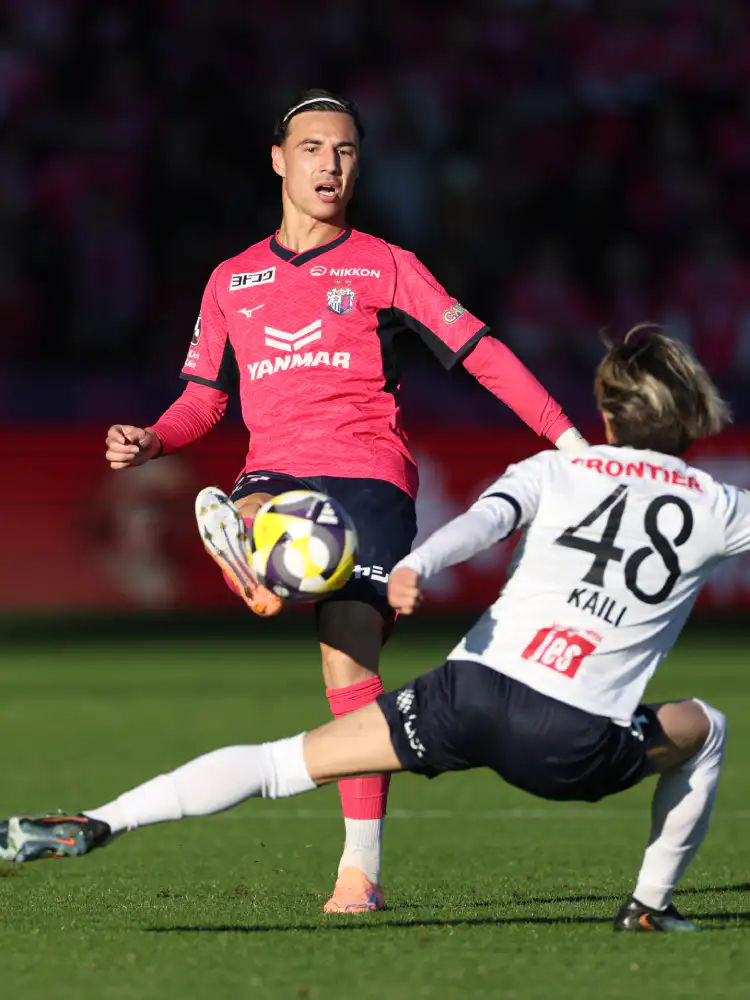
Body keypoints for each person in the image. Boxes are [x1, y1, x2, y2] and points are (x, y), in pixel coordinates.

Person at [0, 327, 739, 931]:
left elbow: (487, 517)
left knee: (277, 762)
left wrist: (418, 564)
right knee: (706, 727)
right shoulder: (716, 504)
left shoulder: (554, 471)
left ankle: (101, 820)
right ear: (688, 416)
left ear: (606, 414)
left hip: (469, 694)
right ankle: (648, 907)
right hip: (574, 740)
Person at [101, 89, 587, 913]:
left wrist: (568, 441)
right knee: (277, 527)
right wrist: (154, 437)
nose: (331, 164)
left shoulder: (385, 265)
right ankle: (258, 557)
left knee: (349, 657)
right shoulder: (232, 280)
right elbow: (204, 398)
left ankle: (358, 872)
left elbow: (481, 353)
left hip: (371, 477)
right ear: (279, 159)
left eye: (348, 152)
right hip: (276, 471)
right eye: (316, 148)